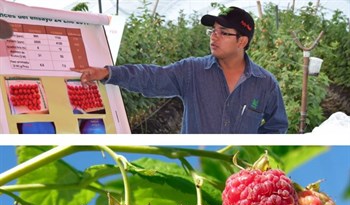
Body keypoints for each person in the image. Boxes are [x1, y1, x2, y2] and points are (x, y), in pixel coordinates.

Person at [72, 6, 288, 134]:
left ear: (242, 41)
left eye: (223, 32)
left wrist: (252, 150)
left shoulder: (265, 84)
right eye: (213, 31)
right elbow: (153, 77)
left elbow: (277, 127)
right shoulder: (192, 71)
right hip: (197, 165)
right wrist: (110, 73)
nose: (214, 36)